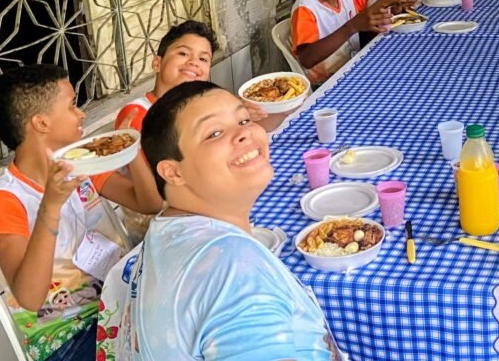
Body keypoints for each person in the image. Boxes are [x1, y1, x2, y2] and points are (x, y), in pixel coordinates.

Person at [124, 81, 343, 359]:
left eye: (243, 120)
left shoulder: (167, 232)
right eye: (214, 133)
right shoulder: (233, 272)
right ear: (174, 173)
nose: (244, 133)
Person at [0, 65, 163, 361]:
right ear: (41, 123)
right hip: (66, 336)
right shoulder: (4, 202)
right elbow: (30, 298)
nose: (81, 114)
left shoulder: (82, 166)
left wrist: (130, 147)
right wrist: (50, 206)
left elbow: (148, 203)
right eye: (72, 105)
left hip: (118, 299)